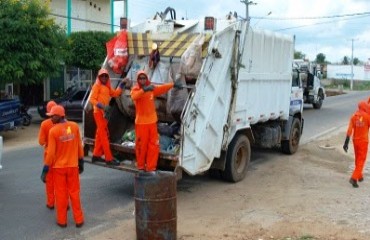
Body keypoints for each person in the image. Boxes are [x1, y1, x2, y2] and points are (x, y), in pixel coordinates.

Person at [40, 105, 84, 228]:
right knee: (74, 193)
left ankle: (62, 221)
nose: (50, 119)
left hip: (59, 168)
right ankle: (79, 220)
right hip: (73, 166)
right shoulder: (74, 126)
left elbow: (50, 153)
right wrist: (81, 162)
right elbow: (79, 146)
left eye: (52, 116)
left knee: (60, 194)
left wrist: (45, 169)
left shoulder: (53, 131)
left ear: (58, 116)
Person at [130, 70, 182, 172]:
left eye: (144, 78)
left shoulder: (151, 89)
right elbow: (134, 96)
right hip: (141, 124)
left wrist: (173, 85)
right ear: (138, 80)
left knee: (153, 145)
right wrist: (144, 90)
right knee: (141, 146)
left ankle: (151, 167)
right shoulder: (135, 89)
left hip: (152, 123)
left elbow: (162, 88)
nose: (142, 80)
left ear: (147, 79)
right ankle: (141, 166)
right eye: (140, 78)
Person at [89, 68, 128, 166]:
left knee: (100, 134)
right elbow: (92, 99)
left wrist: (122, 84)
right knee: (104, 136)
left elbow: (115, 94)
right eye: (102, 76)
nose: (104, 77)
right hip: (98, 113)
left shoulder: (107, 87)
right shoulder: (96, 86)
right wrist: (101, 106)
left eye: (106, 76)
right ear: (99, 77)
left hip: (104, 113)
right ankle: (108, 158)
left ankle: (96, 155)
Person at [343, 100, 370, 188]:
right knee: (361, 161)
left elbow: (349, 130)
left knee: (358, 159)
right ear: (364, 107)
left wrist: (346, 143)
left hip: (355, 141)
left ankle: (360, 176)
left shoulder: (353, 116)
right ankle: (354, 178)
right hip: (363, 142)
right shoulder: (367, 117)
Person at [38, 100, 57, 209]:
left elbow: (41, 142)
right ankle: (65, 202)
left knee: (49, 181)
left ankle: (51, 203)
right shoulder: (65, 123)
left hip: (49, 156)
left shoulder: (45, 124)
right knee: (62, 182)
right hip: (61, 156)